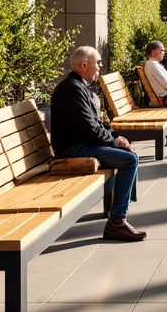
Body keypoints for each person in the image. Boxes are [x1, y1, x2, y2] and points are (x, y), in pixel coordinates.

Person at [50, 46, 146, 241]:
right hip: (72, 149)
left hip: (82, 143)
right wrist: (114, 141)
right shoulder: (72, 89)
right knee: (129, 161)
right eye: (98, 63)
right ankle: (116, 222)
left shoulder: (81, 86)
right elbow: (91, 131)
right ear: (84, 65)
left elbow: (98, 123)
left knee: (130, 156)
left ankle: (120, 210)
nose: (100, 67)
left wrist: (116, 137)